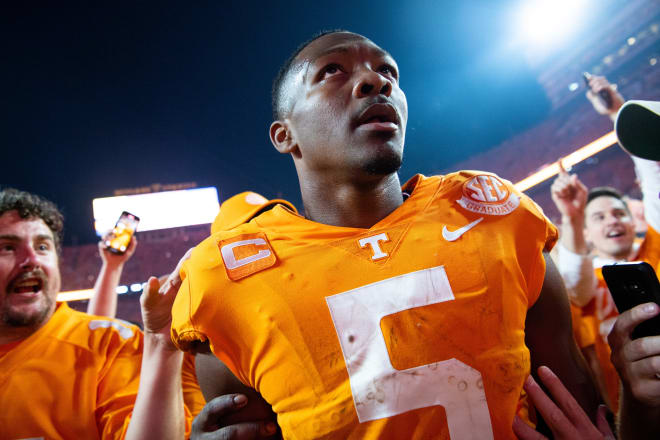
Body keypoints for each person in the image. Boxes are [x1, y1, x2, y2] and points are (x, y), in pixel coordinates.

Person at [171, 31, 599, 439]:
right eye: (332, 71)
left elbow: (575, 400)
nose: (376, 80)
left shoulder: (491, 212)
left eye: (389, 72)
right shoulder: (225, 278)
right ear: (286, 136)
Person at [0, 187, 188, 439]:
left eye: (43, 246)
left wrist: (161, 346)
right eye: (7, 248)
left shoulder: (113, 345)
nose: (31, 259)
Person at [551, 76, 660, 411]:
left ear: (635, 219)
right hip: (632, 419)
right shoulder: (588, 281)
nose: (612, 220)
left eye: (618, 213)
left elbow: (654, 174)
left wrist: (617, 111)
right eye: (598, 217)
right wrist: (572, 217)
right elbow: (573, 285)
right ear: (588, 235)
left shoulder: (654, 251)